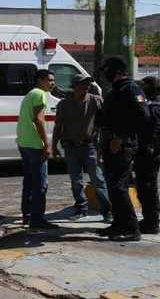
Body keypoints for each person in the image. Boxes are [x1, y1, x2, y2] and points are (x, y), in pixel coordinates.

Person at [97, 57, 150, 242]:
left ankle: (131, 228)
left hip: (122, 144)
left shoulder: (131, 88)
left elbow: (143, 115)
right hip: (110, 143)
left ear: (117, 71)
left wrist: (121, 138)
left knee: (119, 186)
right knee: (113, 185)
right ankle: (119, 223)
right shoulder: (116, 90)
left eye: (107, 71)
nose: (105, 75)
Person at [52, 74, 112, 222]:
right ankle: (81, 208)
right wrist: (53, 146)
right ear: (74, 87)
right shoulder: (64, 104)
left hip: (90, 146)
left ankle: (106, 211)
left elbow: (105, 124)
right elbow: (58, 127)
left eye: (88, 84)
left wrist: (104, 146)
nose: (86, 87)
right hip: (71, 146)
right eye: (83, 84)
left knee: (98, 179)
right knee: (76, 180)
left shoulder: (95, 101)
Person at [17, 68, 58, 230]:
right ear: (40, 80)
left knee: (28, 181)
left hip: (24, 143)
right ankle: (37, 220)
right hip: (34, 145)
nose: (52, 83)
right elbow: (39, 120)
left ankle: (27, 216)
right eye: (49, 80)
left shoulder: (30, 94)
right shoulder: (39, 94)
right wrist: (46, 144)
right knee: (41, 184)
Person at [134, 76, 160, 235]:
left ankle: (151, 222)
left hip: (149, 153)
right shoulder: (150, 103)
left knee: (147, 187)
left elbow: (154, 131)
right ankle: (150, 219)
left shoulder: (154, 107)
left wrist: (151, 148)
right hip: (148, 151)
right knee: (146, 187)